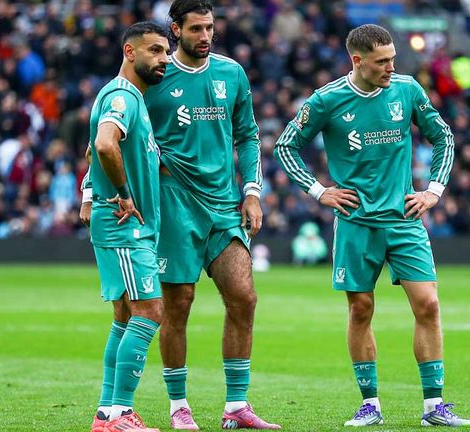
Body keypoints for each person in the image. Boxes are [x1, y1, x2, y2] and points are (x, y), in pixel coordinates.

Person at [273, 24, 470, 428]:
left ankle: (434, 406)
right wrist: (319, 191)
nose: (391, 68)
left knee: (429, 305)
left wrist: (433, 190)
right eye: (382, 62)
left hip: (403, 219)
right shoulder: (327, 100)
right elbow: (285, 145)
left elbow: (444, 138)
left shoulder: (407, 90)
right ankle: (370, 404)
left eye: (393, 59)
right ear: (357, 60)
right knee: (361, 308)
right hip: (356, 222)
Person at [142, 0, 279, 429]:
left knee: (244, 297)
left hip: (223, 204)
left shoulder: (231, 73)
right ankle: (178, 406)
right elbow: (123, 131)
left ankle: (236, 406)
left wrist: (252, 192)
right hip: (174, 204)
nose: (205, 36)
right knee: (178, 305)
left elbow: (249, 135)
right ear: (175, 30)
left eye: (210, 28)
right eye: (196, 28)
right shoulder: (155, 75)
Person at [82, 21, 170, 432]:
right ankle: (119, 413)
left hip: (123, 223)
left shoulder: (129, 97)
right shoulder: (123, 95)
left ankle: (107, 413)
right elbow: (102, 144)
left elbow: (89, 149)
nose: (164, 59)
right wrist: (122, 191)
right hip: (125, 225)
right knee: (150, 310)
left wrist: (87, 193)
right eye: (154, 51)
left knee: (124, 315)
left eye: (166, 52)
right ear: (129, 52)